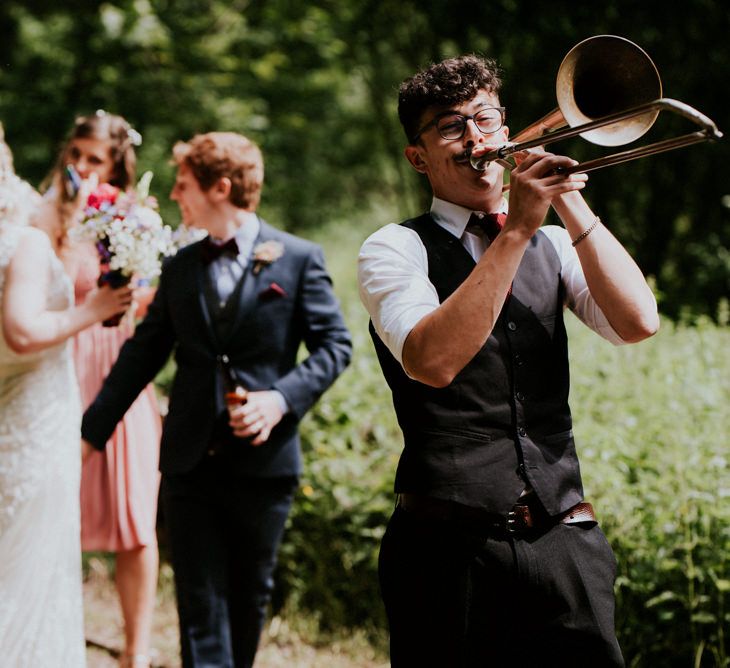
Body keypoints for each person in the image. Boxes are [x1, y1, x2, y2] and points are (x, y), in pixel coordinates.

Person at [357, 55, 660, 667]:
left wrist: (568, 204)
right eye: (451, 126)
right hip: (447, 552)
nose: (476, 139)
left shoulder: (553, 240)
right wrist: (517, 229)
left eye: (487, 119)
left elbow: (638, 323)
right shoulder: (395, 247)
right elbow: (432, 360)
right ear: (419, 157)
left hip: (564, 539)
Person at [81, 131, 352, 668]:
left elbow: (334, 346)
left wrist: (279, 399)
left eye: (183, 185)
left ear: (220, 187)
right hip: (188, 462)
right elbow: (141, 356)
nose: (176, 196)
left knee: (249, 596)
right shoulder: (180, 266)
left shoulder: (298, 259)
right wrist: (88, 435)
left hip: (264, 464)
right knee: (198, 603)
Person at [0, 124, 133, 667]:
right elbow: (23, 330)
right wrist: (93, 310)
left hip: (32, 401)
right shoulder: (28, 237)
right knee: (31, 558)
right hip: (33, 412)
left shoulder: (50, 223)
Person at [32, 111, 162, 668]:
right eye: (76, 155)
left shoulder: (134, 216)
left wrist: (138, 294)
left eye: (95, 159)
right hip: (59, 364)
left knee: (133, 518)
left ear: (115, 164)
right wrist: (62, 218)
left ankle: (136, 648)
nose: (82, 167)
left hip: (118, 370)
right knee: (52, 513)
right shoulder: (46, 212)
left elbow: (154, 301)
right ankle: (52, 638)